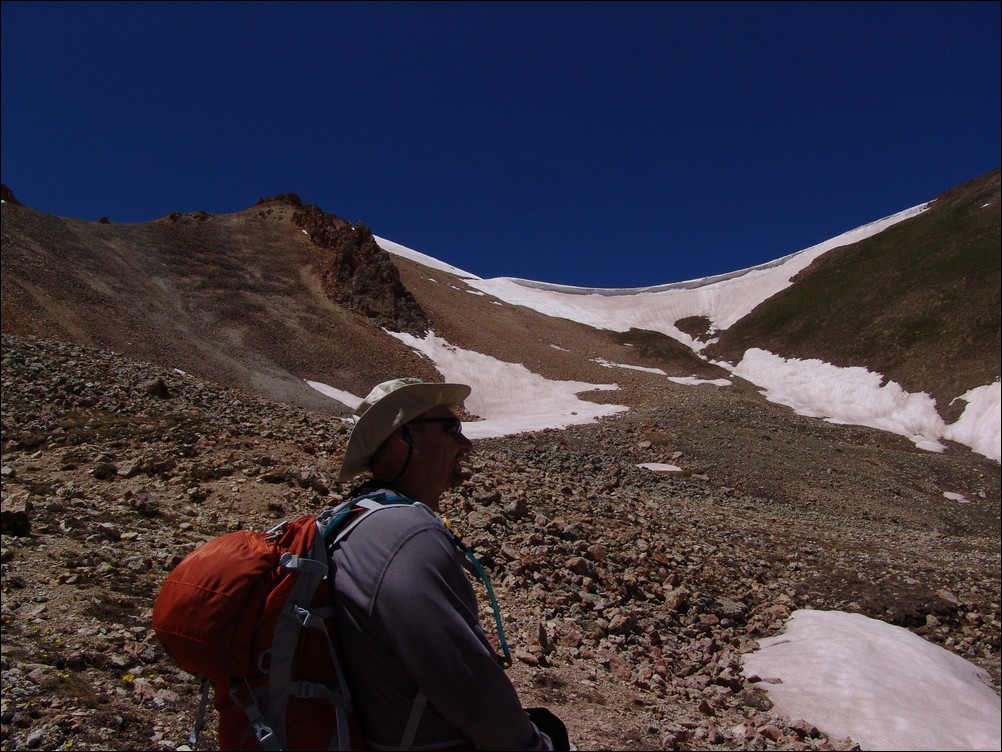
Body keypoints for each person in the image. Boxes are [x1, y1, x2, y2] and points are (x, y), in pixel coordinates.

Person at [332, 378, 569, 751]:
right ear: (403, 437)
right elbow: (472, 693)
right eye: (451, 427)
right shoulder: (406, 535)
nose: (465, 443)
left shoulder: (355, 518)